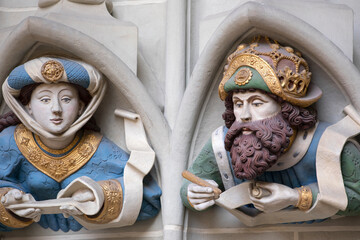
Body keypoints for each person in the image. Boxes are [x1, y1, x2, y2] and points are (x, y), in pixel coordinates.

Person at [180, 36, 360, 224]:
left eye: (257, 103)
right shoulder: (223, 143)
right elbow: (192, 181)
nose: (244, 115)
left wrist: (296, 197)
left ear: (287, 107)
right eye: (238, 104)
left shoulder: (331, 143)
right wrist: (193, 193)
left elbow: (356, 194)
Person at [0, 57, 161, 232]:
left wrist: (98, 195)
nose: (56, 108)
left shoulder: (98, 147)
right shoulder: (10, 141)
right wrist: (10, 201)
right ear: (28, 106)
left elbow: (148, 197)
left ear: (81, 107)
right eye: (45, 99)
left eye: (67, 99)